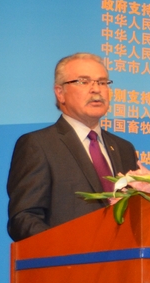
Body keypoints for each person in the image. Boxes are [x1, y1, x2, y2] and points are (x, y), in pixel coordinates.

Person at [7, 53, 139, 241]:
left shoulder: (124, 148)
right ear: (60, 92)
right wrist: (65, 249)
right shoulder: (39, 145)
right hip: (67, 258)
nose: (96, 90)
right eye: (83, 82)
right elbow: (24, 219)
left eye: (102, 82)